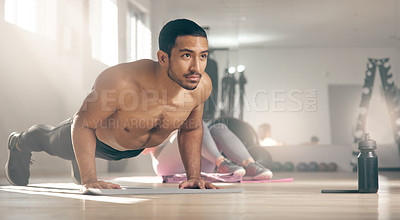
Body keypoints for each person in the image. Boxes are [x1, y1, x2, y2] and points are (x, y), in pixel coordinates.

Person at [5, 19, 220, 190]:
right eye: (186, 56)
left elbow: (191, 128)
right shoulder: (121, 80)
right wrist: (90, 179)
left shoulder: (201, 86)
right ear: (163, 58)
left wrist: (194, 177)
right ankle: (20, 142)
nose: (197, 67)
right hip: (93, 137)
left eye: (203, 56)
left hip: (131, 148)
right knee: (50, 140)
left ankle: (79, 160)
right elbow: (84, 123)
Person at [145, 121, 273, 180]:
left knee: (219, 127)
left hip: (200, 165)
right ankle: (221, 162)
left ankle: (249, 164)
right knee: (195, 124)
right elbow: (144, 148)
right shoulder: (151, 110)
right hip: (166, 164)